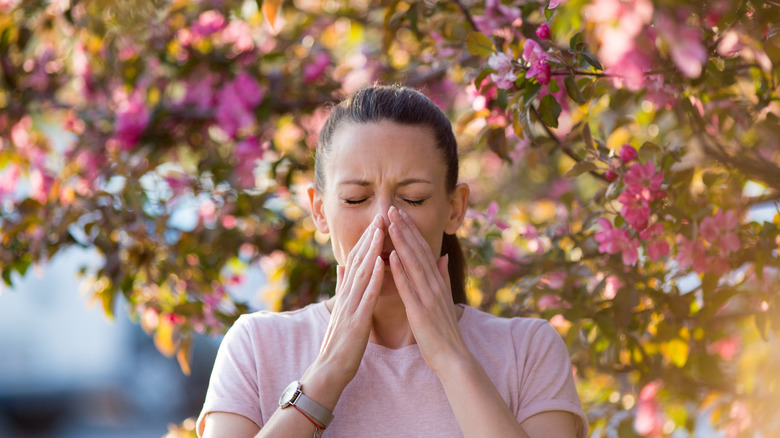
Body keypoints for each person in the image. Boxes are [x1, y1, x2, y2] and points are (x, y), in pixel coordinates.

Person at [196, 85, 588, 437]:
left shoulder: (528, 350)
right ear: (319, 210)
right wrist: (327, 372)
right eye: (355, 199)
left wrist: (451, 359)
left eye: (413, 199)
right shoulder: (257, 347)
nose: (383, 220)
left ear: (455, 208)